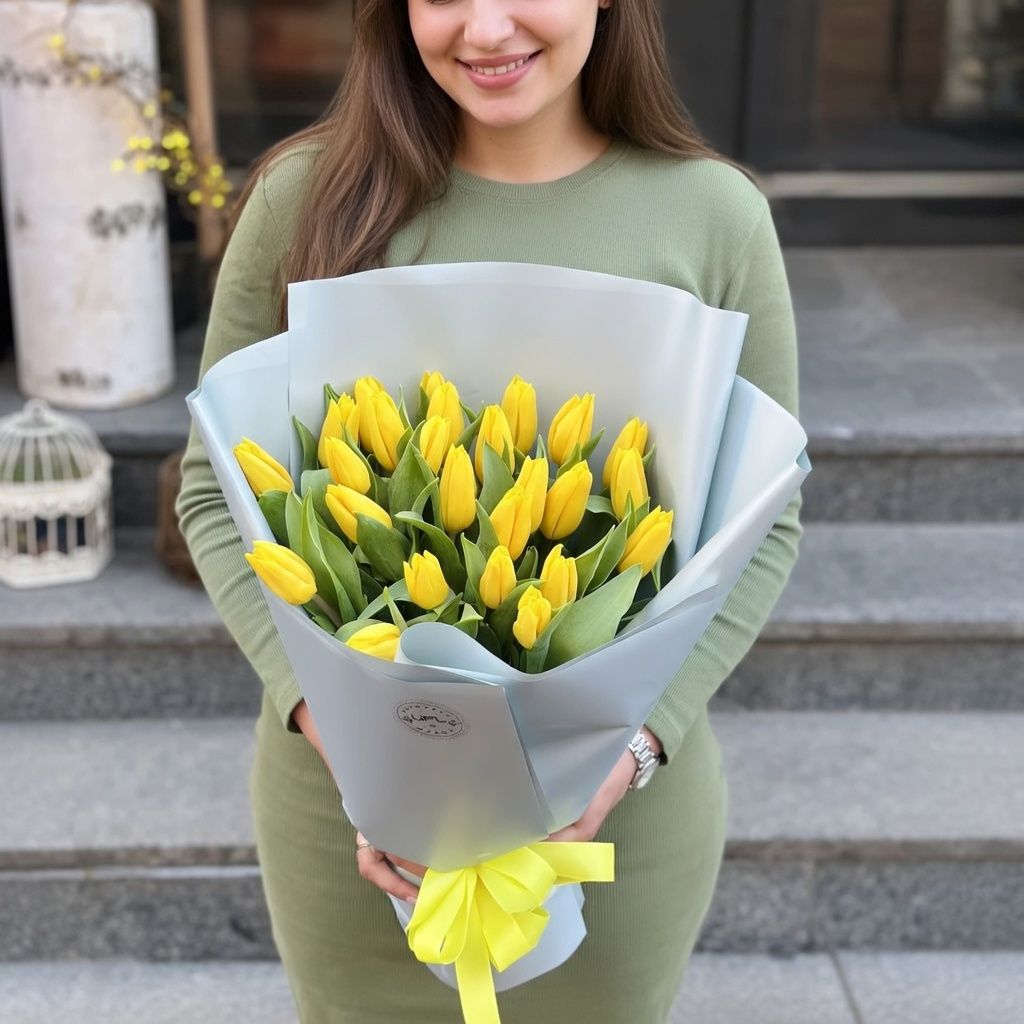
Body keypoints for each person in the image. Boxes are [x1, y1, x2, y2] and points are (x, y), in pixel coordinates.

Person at [175, 1, 803, 1020]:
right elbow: (214, 492)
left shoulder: (712, 216)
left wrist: (629, 753)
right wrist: (361, 752)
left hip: (613, 820)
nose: (484, 28)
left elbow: (763, 522)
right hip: (353, 821)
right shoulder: (305, 197)